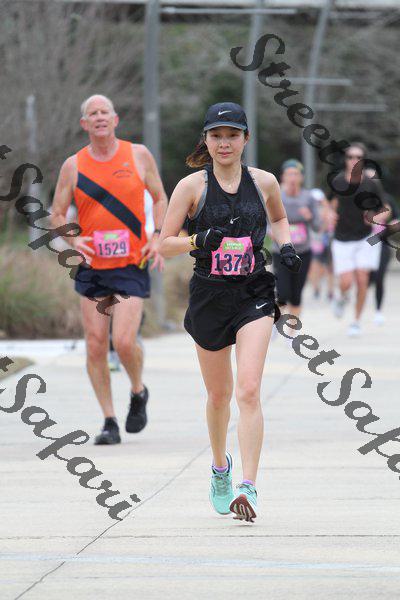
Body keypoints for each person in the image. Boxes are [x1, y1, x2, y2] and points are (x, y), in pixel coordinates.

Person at [159, 102, 301, 523]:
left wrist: (286, 246)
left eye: (232, 135)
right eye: (217, 136)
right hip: (209, 295)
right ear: (205, 140)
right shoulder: (191, 186)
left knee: (249, 390)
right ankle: (221, 467)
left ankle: (248, 486)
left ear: (245, 139)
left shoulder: (264, 182)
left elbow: (279, 218)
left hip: (254, 292)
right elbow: (164, 243)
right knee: (219, 396)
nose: (224, 143)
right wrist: (197, 239)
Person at [51, 94, 167, 444]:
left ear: (115, 120)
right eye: (93, 113)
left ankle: (138, 390)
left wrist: (157, 236)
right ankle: (109, 421)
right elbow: (57, 213)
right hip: (91, 266)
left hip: (131, 262)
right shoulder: (73, 165)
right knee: (96, 344)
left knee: (125, 341)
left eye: (105, 112)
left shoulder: (138, 155)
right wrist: (73, 240)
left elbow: (160, 197)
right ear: (84, 124)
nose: (99, 117)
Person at [329, 143, 383, 337]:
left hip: (364, 238)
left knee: (362, 279)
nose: (354, 160)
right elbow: (329, 204)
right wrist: (329, 214)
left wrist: (374, 217)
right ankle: (341, 296)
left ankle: (356, 322)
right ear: (345, 159)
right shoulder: (337, 181)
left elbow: (384, 208)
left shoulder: (371, 183)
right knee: (346, 282)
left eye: (358, 157)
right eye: (350, 157)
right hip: (342, 238)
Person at [108, 189, 155, 371]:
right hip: (105, 261)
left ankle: (133, 337)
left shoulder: (143, 194)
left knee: (129, 308)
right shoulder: (101, 189)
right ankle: (113, 352)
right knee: (109, 307)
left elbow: (150, 227)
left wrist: (148, 242)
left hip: (133, 262)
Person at [271, 160, 320, 334]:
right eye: (289, 174)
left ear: (301, 177)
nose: (292, 178)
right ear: (282, 177)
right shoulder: (277, 196)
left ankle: (292, 331)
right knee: (283, 292)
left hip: (303, 252)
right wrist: (271, 232)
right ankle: (277, 324)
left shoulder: (308, 197)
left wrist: (309, 217)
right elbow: (267, 220)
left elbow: (317, 226)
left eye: (296, 174)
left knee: (296, 293)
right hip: (281, 252)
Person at [364, 168, 399, 325]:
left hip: (382, 244)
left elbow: (396, 218)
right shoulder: (357, 200)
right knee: (365, 278)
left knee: (379, 278)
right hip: (361, 245)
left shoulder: (387, 199)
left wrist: (393, 224)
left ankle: (378, 311)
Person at [308, 188, 335, 301]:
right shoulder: (310, 211)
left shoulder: (329, 211)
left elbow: (332, 223)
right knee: (315, 266)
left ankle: (330, 291)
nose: (318, 203)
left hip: (329, 241)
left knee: (330, 267)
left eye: (319, 201)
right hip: (315, 242)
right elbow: (317, 228)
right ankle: (316, 288)